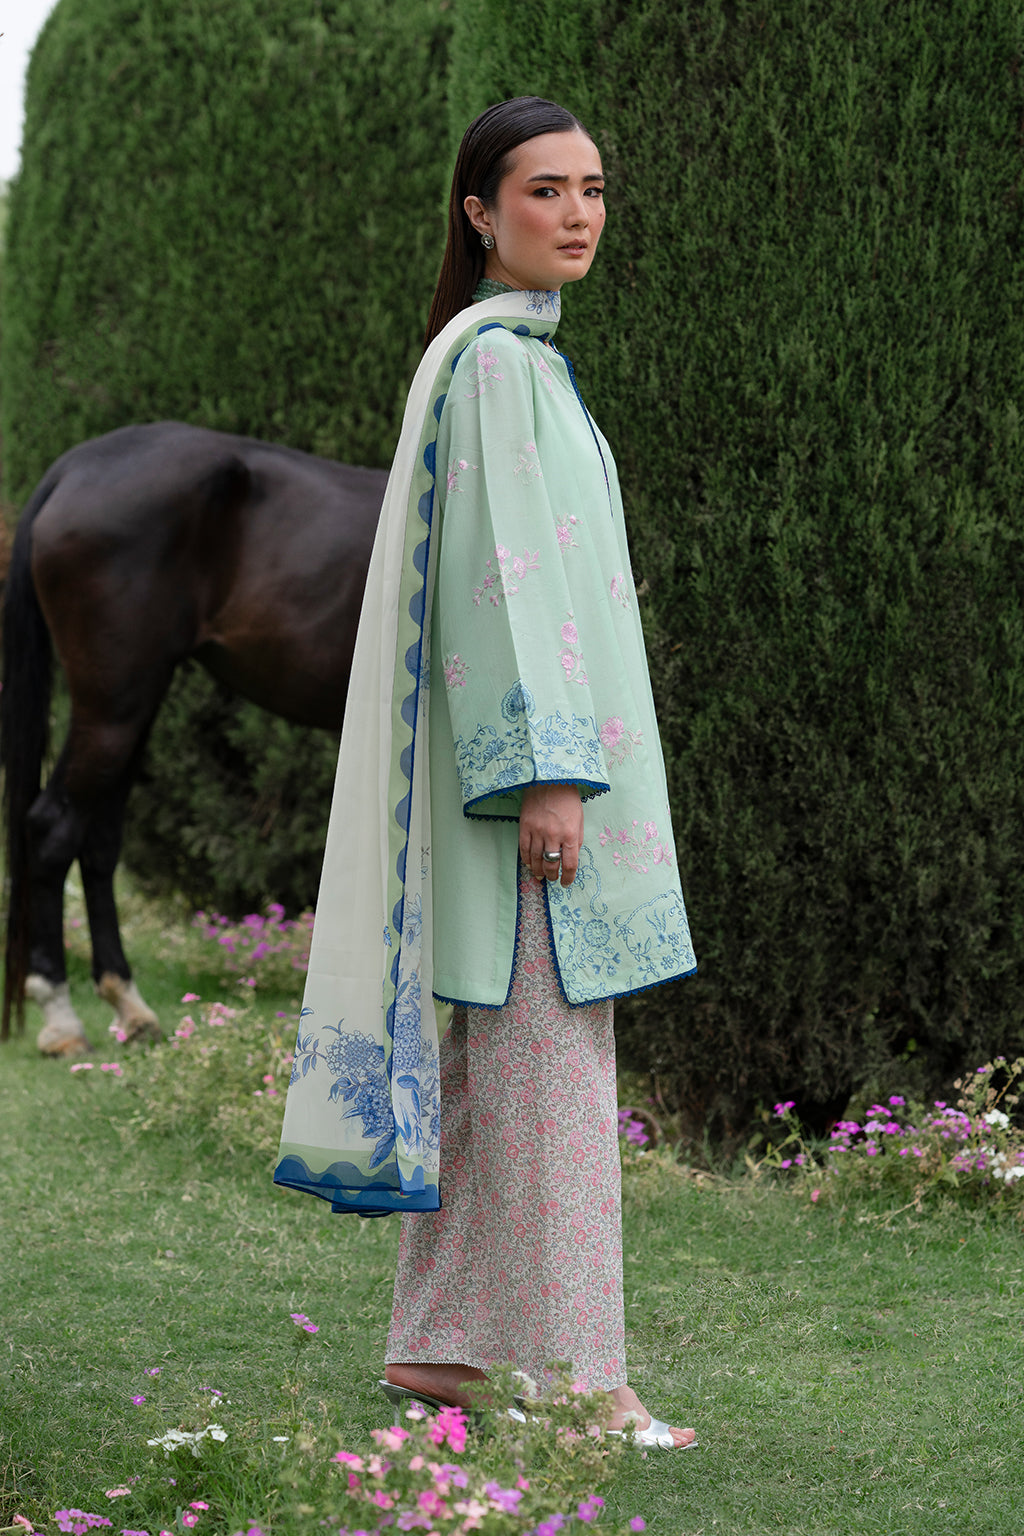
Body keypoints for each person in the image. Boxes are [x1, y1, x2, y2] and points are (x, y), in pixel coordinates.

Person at [274, 97, 698, 1450]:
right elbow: (505, 589)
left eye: (590, 189)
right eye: (542, 191)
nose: (576, 213)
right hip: (526, 804)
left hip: (506, 798)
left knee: (492, 1074)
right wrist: (550, 779)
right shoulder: (503, 369)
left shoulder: (506, 358)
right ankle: (586, 1380)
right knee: (552, 1081)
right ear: (480, 211)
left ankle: (441, 1351)